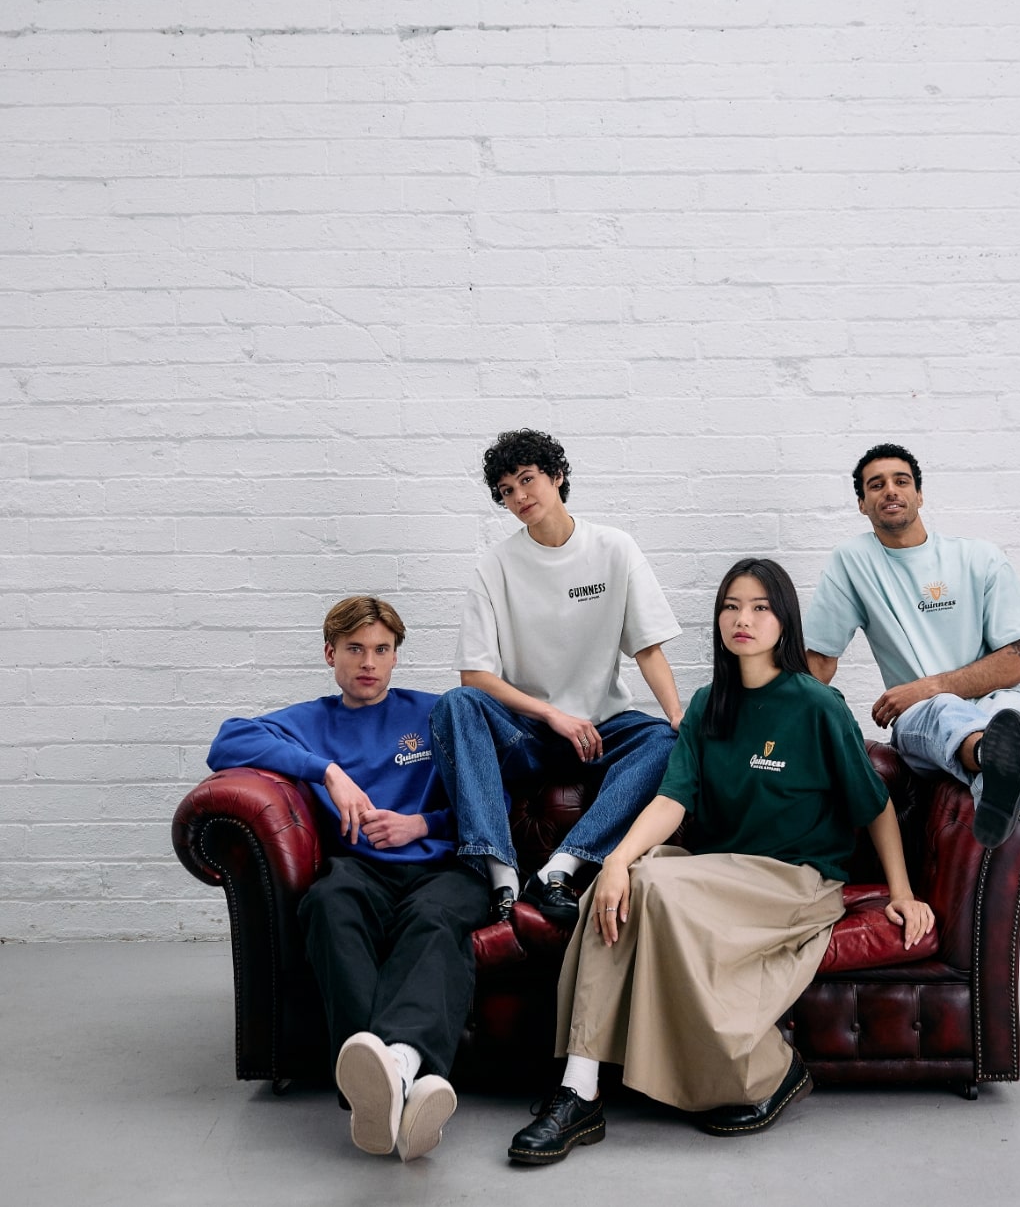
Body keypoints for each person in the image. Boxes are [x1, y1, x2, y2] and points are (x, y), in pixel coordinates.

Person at [508, 558, 934, 1163]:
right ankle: (578, 1090)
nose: (743, 618)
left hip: (796, 879)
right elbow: (671, 799)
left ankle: (768, 1071)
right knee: (629, 881)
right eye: (732, 606)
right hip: (719, 870)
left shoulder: (818, 706)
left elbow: (877, 807)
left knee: (649, 880)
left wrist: (902, 891)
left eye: (761, 607)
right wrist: (615, 861)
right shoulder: (709, 704)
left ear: (784, 621)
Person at [207, 596, 489, 1163]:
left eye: (382, 650)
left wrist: (420, 823)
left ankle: (388, 1078)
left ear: (394, 658)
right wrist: (327, 771)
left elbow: (493, 798)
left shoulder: (435, 713)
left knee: (436, 922)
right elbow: (227, 742)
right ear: (330, 653)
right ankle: (398, 1083)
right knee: (328, 902)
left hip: (443, 864)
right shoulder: (311, 722)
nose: (369, 663)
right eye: (356, 649)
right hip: (360, 870)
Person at [431, 428, 684, 928]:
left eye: (528, 480)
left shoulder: (614, 548)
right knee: (456, 704)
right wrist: (552, 714)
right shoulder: (495, 565)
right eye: (506, 491)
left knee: (667, 741)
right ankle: (501, 875)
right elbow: (475, 674)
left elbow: (647, 647)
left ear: (557, 476)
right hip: (528, 733)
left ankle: (559, 870)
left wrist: (677, 715)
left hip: (602, 730)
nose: (519, 497)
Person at [803, 443, 1020, 849]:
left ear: (920, 495)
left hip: (991, 703)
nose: (890, 490)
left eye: (901, 481)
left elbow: (1018, 663)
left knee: (1008, 712)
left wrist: (925, 685)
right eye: (876, 485)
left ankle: (1004, 772)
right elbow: (820, 661)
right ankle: (1018, 761)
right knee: (948, 710)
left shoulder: (980, 558)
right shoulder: (851, 562)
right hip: (921, 718)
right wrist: (780, 721)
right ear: (862, 504)